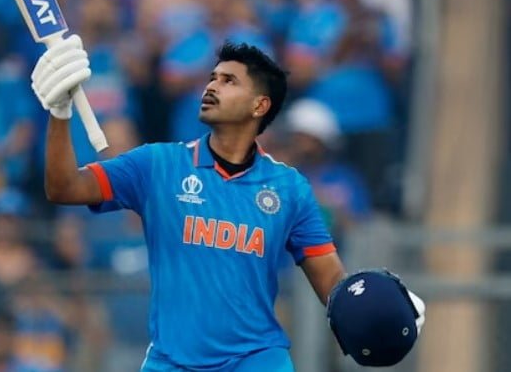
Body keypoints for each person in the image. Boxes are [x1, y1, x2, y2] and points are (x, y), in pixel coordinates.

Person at [32, 38, 424, 371]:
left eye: (229, 80)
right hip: (173, 362)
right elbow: (64, 188)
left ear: (259, 106)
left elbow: (333, 287)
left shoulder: (290, 189)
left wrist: (381, 307)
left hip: (257, 362)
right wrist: (59, 112)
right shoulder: (156, 164)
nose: (211, 86)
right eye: (213, 77)